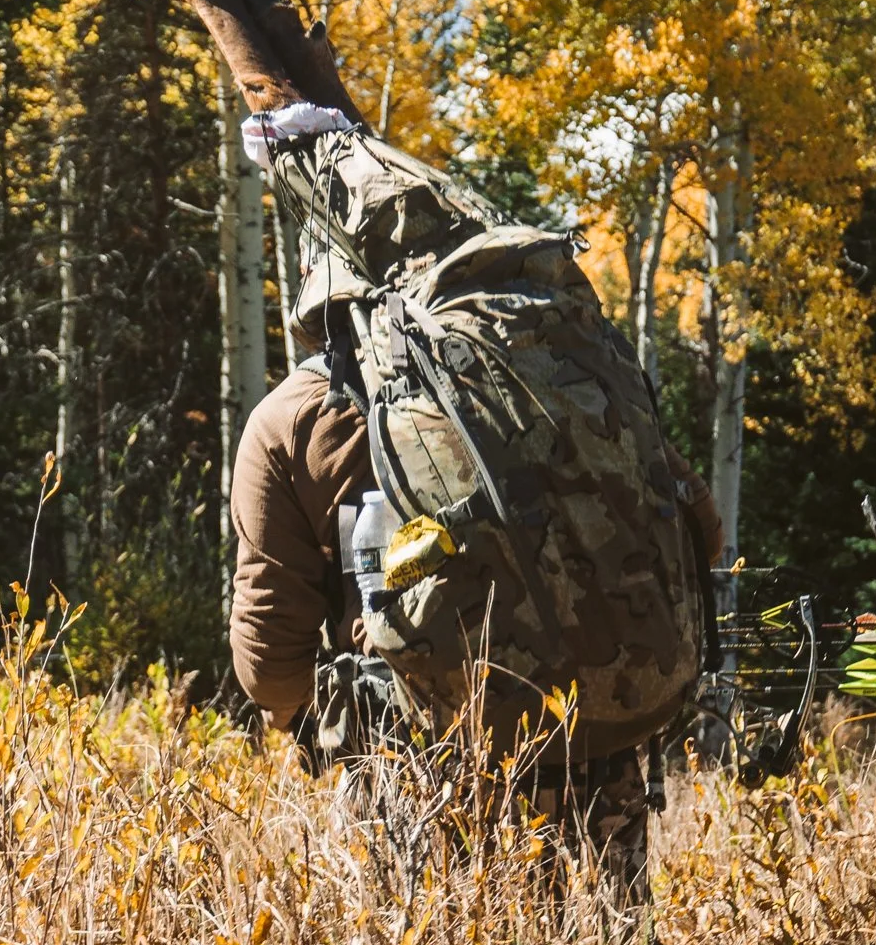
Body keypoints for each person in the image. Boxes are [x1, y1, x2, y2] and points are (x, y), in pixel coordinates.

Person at [228, 324, 723, 888]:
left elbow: (268, 666)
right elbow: (702, 534)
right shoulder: (562, 376)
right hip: (591, 745)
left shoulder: (293, 417)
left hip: (410, 770)